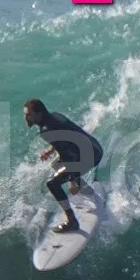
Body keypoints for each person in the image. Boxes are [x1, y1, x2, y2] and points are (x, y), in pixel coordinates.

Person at [24, 98, 103, 234]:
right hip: (95, 148)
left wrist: (72, 180)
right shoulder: (55, 116)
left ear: (38, 114)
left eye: (28, 114)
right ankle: (85, 189)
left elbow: (69, 155)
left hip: (90, 156)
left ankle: (72, 222)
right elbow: (68, 138)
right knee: (56, 164)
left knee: (52, 184)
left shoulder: (46, 130)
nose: (26, 118)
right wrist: (50, 150)